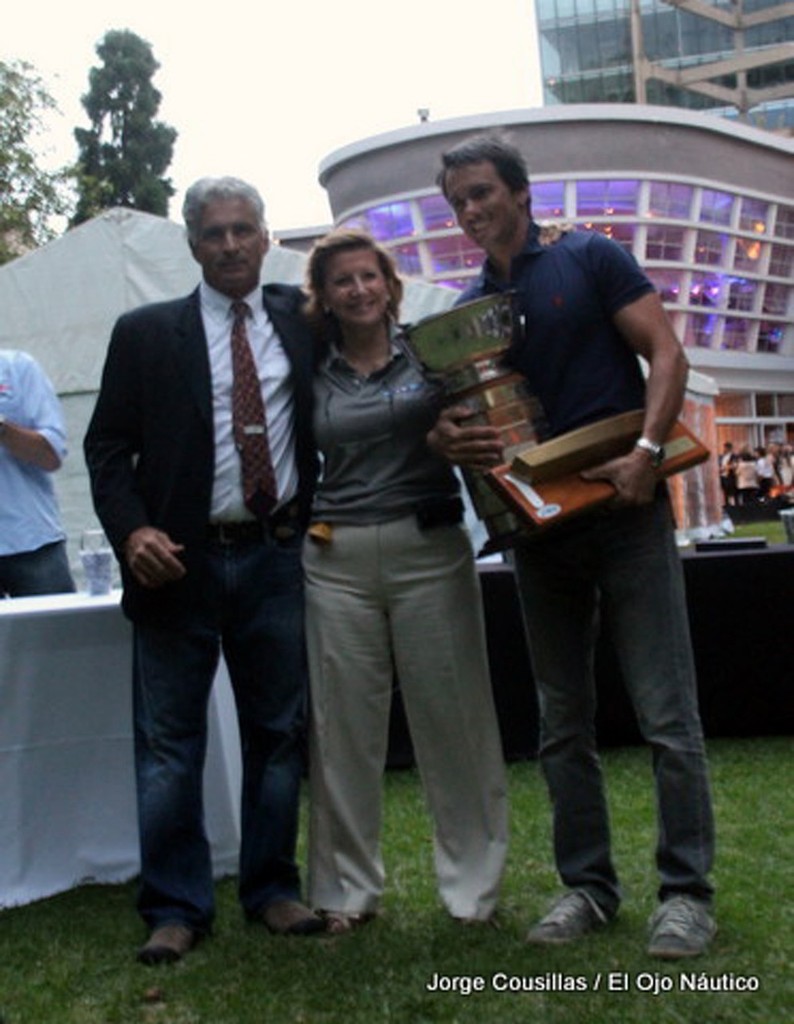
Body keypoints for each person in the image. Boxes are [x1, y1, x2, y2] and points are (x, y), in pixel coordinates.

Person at [430, 133, 716, 959]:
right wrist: (447, 433)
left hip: (626, 515)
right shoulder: (466, 314)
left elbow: (666, 351)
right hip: (537, 534)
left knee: (668, 716)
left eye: (482, 193)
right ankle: (587, 887)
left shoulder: (591, 257)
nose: (472, 211)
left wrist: (649, 454)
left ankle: (686, 894)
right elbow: (462, 416)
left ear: (522, 193)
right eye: (459, 203)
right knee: (562, 724)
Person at [84, 176, 324, 964]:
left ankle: (272, 889)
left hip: (275, 557)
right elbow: (108, 450)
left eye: (243, 230)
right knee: (168, 746)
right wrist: (132, 531)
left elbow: (378, 328)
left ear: (266, 239)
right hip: (175, 566)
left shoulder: (302, 318)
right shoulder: (146, 333)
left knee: (278, 736)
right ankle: (176, 906)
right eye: (213, 233)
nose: (229, 245)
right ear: (192, 246)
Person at [302, 229, 508, 932]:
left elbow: (489, 419)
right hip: (336, 557)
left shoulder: (432, 354)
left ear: (390, 285)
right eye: (342, 281)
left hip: (430, 548)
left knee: (455, 721)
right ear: (324, 297)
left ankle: (472, 890)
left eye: (370, 277)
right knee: (342, 731)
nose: (359, 290)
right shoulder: (309, 369)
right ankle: (346, 894)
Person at [0, 349, 75, 598]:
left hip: (32, 542)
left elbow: (51, 456)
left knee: (54, 635)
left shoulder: (17, 367)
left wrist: (1, 427)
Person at [718, 441, 738, 508]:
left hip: (730, 476)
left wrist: (725, 468)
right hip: (723, 476)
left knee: (732, 491)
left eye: (725, 448)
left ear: (729, 448)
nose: (724, 449)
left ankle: (735, 505)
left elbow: (734, 465)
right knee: (725, 491)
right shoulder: (721, 456)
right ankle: (727, 505)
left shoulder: (734, 456)